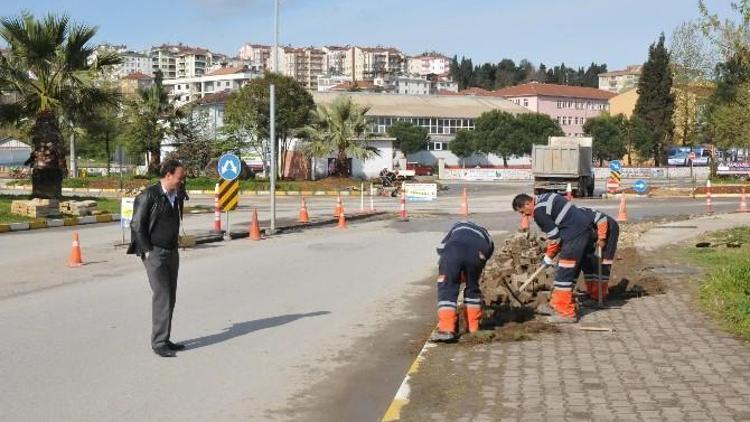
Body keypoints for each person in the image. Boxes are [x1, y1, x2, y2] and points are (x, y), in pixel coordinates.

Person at [127, 159, 187, 357]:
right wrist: (147, 250)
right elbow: (136, 224)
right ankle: (159, 343)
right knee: (162, 295)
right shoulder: (149, 195)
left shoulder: (175, 195)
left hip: (172, 251)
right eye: (180, 178)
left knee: (171, 295)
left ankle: (165, 337)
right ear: (168, 175)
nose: (182, 181)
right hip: (155, 252)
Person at [512, 192, 594, 323]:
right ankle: (557, 304)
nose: (524, 216)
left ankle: (566, 313)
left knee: (564, 274)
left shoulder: (539, 211)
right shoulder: (545, 197)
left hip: (574, 234)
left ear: (528, 204)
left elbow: (555, 239)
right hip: (582, 230)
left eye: (523, 212)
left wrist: (549, 256)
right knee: (569, 272)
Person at [432, 221, 494, 342]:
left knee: (447, 289)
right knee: (472, 289)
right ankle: (473, 329)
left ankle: (446, 328)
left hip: (453, 252)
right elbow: (485, 258)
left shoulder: (456, 228)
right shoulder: (487, 237)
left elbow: (441, 249)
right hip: (478, 255)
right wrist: (470, 275)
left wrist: (449, 274)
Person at [578, 207, 619, 306]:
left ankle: (598, 297)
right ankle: (591, 292)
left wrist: (602, 238)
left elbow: (602, 218)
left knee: (603, 262)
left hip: (608, 228)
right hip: (592, 232)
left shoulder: (577, 216)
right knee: (587, 261)